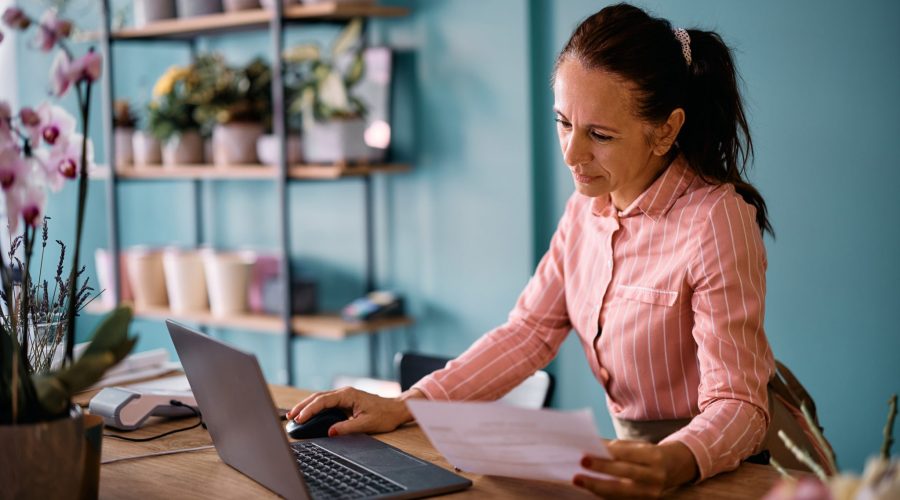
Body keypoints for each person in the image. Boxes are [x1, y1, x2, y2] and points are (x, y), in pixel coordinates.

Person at [288, 3, 820, 497]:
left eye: (600, 135)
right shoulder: (586, 207)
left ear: (665, 131)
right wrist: (403, 406)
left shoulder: (716, 220)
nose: (571, 153)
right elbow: (530, 332)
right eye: (564, 122)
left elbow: (740, 405)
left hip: (735, 466)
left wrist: (678, 459)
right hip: (647, 466)